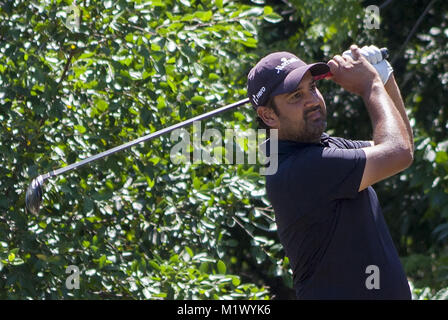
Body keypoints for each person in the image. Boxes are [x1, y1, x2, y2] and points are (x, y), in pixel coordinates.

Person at [247, 45, 414, 299]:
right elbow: (398, 152)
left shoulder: (323, 147)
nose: (313, 100)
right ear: (268, 115)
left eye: (312, 87)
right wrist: (370, 84)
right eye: (296, 96)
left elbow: (400, 144)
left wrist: (384, 77)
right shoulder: (299, 169)